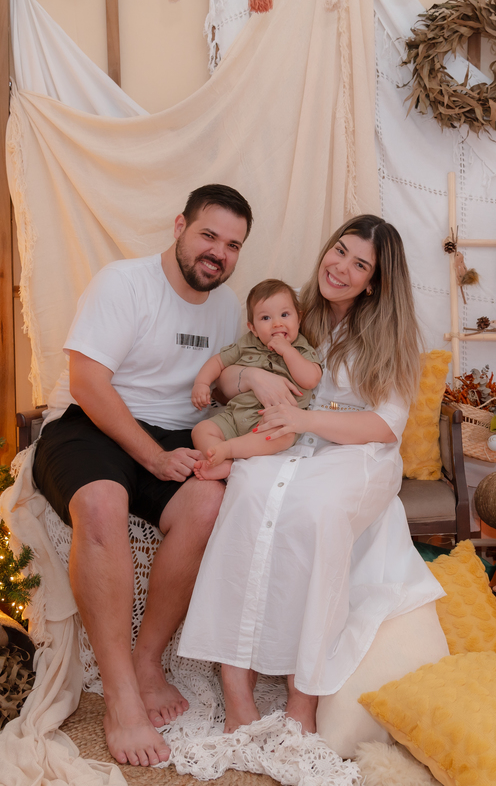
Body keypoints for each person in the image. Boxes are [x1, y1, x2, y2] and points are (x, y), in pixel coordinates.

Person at [177, 215, 446, 734]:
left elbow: (384, 426)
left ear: (375, 282)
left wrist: (305, 420)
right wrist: (252, 376)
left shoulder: (390, 337)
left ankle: (303, 692)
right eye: (339, 250)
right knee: (247, 493)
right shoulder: (291, 311)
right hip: (288, 439)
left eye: (359, 264)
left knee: (315, 513)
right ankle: (236, 687)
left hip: (356, 450)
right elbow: (229, 379)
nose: (340, 267)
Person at [31, 185, 252, 767]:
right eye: (208, 235)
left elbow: (220, 384)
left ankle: (147, 660)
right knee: (101, 505)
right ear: (179, 226)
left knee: (208, 503)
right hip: (90, 423)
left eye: (232, 245)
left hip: (177, 433)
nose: (218, 253)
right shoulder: (123, 283)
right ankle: (121, 696)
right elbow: (88, 383)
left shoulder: (228, 306)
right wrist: (153, 458)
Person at [190, 279, 323, 481]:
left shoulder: (301, 349)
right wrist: (201, 383)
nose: (277, 323)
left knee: (284, 435)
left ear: (299, 318)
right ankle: (222, 461)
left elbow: (311, 379)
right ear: (252, 328)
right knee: (201, 430)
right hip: (236, 416)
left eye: (285, 315)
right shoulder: (247, 344)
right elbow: (218, 361)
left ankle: (228, 450)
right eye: (266, 318)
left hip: (273, 421)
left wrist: (287, 351)